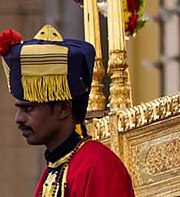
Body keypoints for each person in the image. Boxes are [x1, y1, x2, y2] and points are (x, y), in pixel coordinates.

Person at [0, 25, 135, 196]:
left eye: (28, 108)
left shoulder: (96, 165)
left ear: (63, 109)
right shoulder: (56, 166)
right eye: (19, 108)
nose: (18, 119)